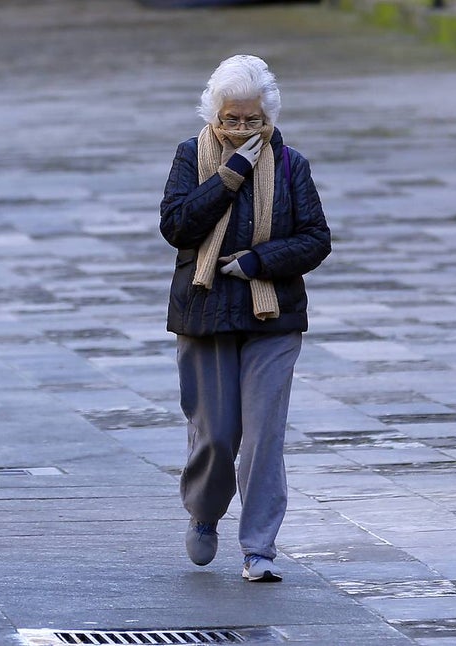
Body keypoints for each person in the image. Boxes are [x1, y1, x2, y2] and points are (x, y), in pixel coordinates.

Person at [159, 55, 331, 583]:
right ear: (215, 115)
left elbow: (315, 239)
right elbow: (177, 226)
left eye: (251, 120)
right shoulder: (192, 156)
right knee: (216, 435)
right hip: (205, 314)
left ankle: (259, 548)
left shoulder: (290, 164)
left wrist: (257, 262)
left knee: (262, 436)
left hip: (272, 314)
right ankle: (205, 512)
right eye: (231, 119)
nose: (241, 129)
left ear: (268, 115)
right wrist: (230, 177)